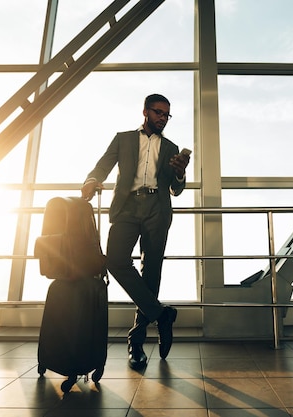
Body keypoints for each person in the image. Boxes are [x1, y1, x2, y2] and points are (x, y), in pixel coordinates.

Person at [80, 93, 190, 369]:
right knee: (115, 260)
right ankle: (161, 314)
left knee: (151, 273)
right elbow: (104, 164)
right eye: (158, 112)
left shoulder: (171, 148)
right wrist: (92, 180)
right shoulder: (124, 138)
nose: (162, 118)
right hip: (127, 207)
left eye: (166, 115)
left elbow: (176, 190)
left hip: (157, 208)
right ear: (145, 112)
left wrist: (179, 173)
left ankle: (136, 343)